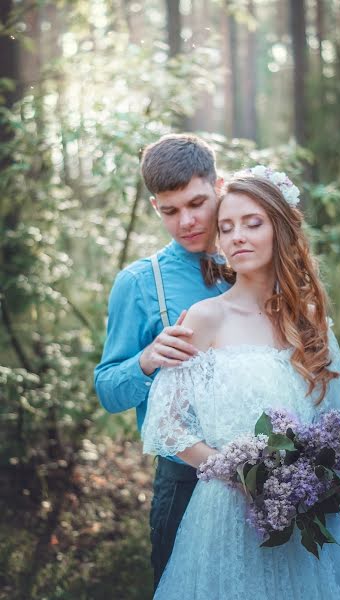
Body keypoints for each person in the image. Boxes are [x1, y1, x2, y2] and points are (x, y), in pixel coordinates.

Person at [141, 166, 340, 599]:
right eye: (226, 228)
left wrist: (305, 478)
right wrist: (242, 471)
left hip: (305, 508)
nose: (237, 236)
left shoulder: (311, 321)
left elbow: (334, 422)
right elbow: (166, 425)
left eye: (252, 223)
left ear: (280, 230)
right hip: (227, 512)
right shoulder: (207, 318)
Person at [94, 134, 230, 590]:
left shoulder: (259, 263)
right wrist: (147, 360)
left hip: (272, 469)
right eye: (169, 211)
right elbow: (108, 390)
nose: (187, 222)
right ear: (155, 206)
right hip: (185, 481)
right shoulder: (138, 282)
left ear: (219, 187)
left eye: (197, 203)